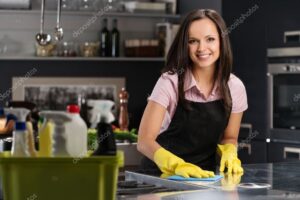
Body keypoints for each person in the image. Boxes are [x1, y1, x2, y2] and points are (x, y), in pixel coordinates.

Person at [137, 9, 247, 178]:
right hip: (159, 178)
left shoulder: (235, 87)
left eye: (210, 39)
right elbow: (144, 141)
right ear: (184, 45)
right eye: (193, 41)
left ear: (221, 42)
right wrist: (175, 165)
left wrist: (230, 152)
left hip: (204, 180)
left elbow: (230, 137)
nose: (202, 48)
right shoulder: (169, 82)